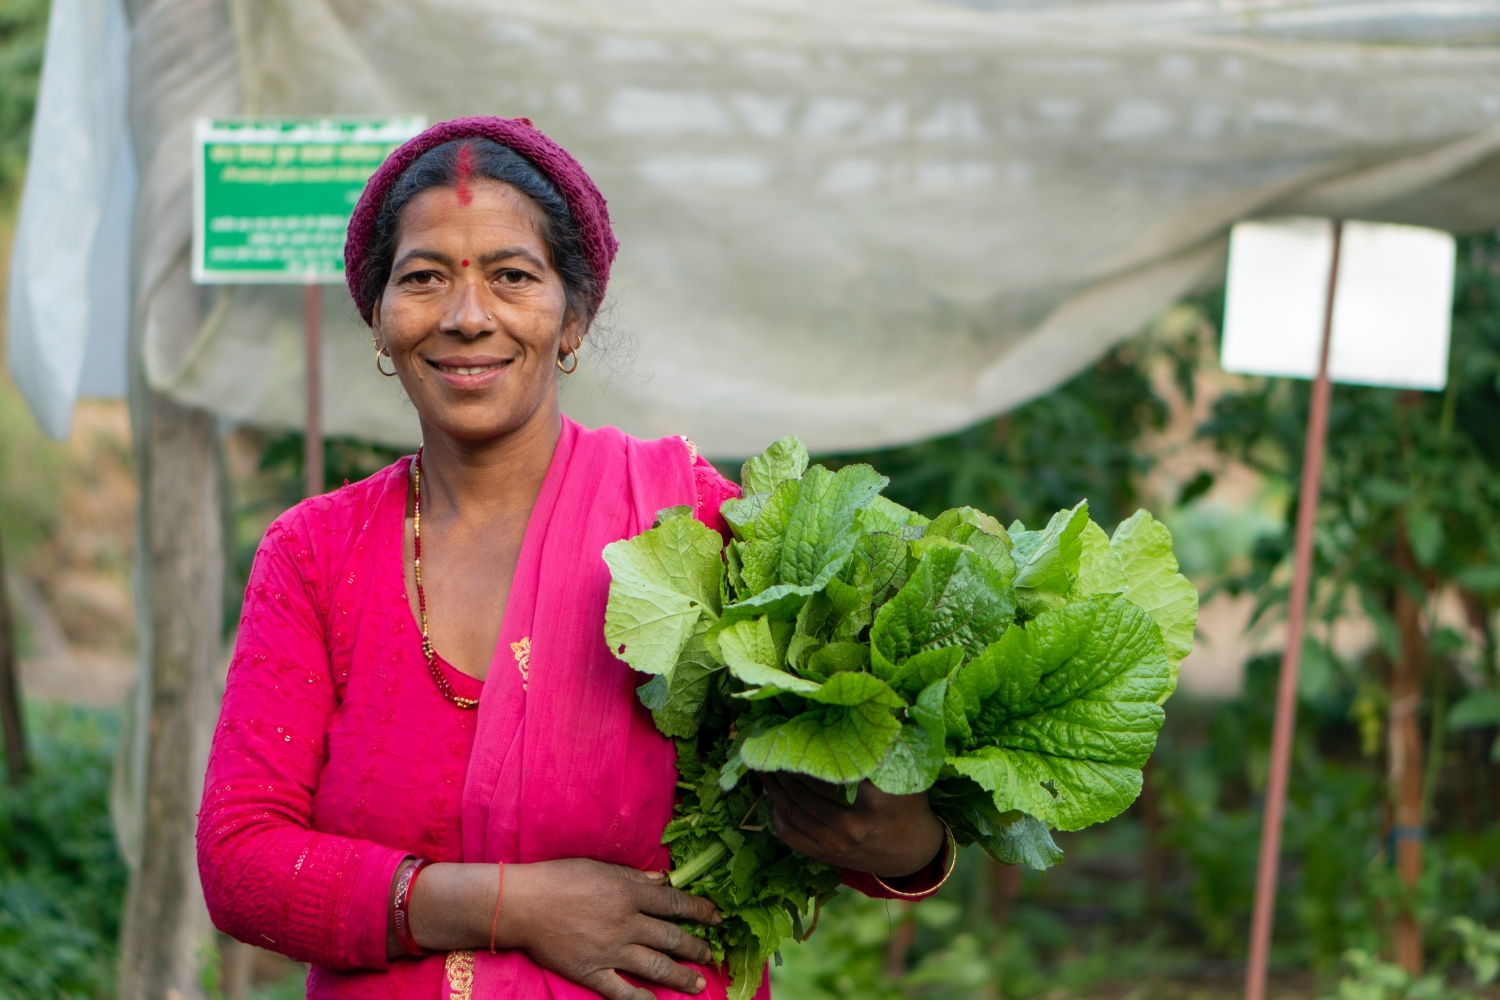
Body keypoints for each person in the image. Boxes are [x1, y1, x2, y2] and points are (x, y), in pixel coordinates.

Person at [197, 117, 952, 1000]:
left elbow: (845, 802)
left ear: (574, 318)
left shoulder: (688, 524)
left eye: (512, 277)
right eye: (424, 278)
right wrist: (513, 907)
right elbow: (243, 862)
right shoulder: (316, 554)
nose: (466, 316)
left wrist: (907, 841)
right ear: (378, 318)